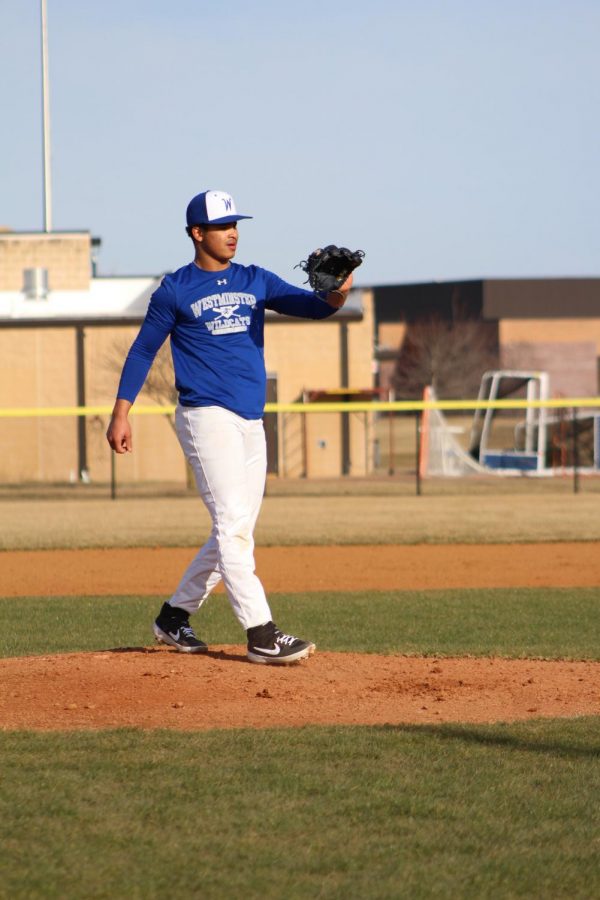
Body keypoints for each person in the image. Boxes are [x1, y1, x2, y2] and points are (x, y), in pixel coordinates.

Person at [106, 189, 353, 664]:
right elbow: (142, 351)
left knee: (235, 527)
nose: (233, 232)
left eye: (236, 224)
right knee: (233, 527)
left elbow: (320, 306)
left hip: (250, 420)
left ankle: (174, 617)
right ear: (197, 233)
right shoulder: (175, 289)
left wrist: (342, 283)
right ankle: (261, 632)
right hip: (205, 416)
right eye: (222, 226)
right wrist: (121, 412)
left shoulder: (255, 279)